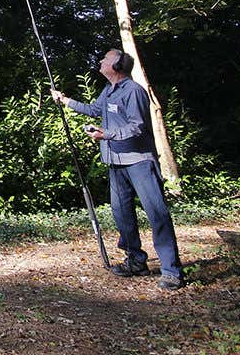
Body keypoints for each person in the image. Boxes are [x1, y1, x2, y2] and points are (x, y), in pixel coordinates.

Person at [51, 49, 184, 290]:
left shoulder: (133, 91)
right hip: (116, 163)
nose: (101, 61)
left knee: (157, 215)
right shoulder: (109, 90)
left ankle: (172, 271)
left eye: (105, 59)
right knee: (122, 215)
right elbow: (94, 110)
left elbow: (137, 127)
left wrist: (106, 134)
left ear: (118, 65)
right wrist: (65, 100)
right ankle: (135, 261)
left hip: (139, 162)